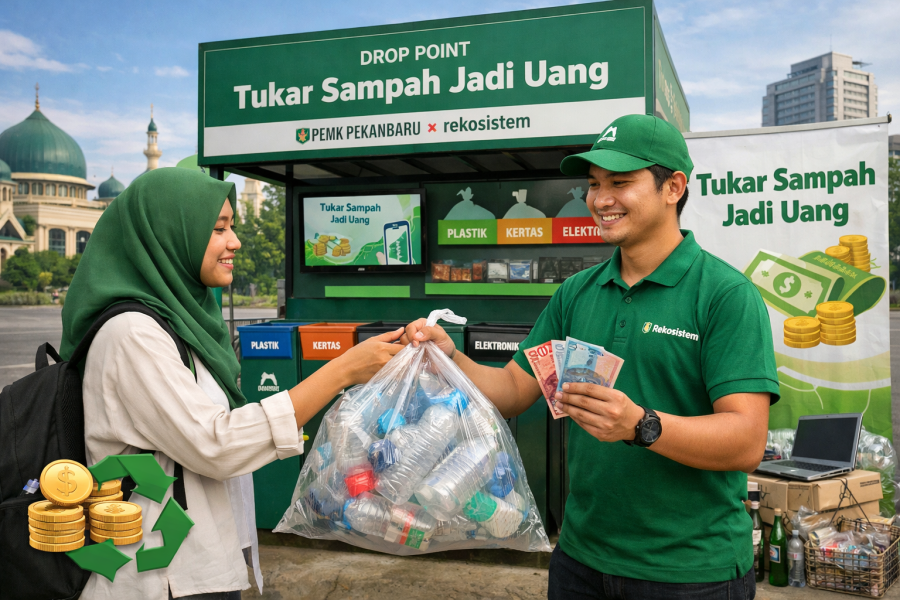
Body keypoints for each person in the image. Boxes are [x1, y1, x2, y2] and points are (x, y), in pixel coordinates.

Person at [403, 114, 779, 600]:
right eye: (594, 184)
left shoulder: (726, 295)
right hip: (580, 562)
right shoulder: (577, 293)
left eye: (620, 182)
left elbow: (746, 441)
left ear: (674, 187)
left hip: (690, 573)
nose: (601, 199)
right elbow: (515, 390)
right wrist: (451, 356)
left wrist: (642, 425)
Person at [60, 168, 404, 600]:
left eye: (233, 226)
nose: (235, 241)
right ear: (169, 235)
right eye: (218, 228)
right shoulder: (132, 334)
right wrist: (342, 371)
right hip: (159, 577)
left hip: (193, 566)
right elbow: (215, 443)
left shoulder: (179, 325)